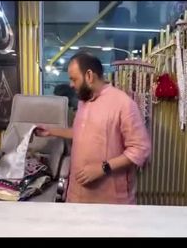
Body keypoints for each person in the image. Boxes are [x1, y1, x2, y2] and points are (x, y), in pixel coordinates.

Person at [36, 52, 151, 204]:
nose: (71, 85)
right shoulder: (83, 101)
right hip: (76, 197)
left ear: (89, 76)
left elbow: (140, 149)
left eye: (74, 79)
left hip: (111, 202)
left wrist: (103, 168)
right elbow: (80, 133)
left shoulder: (123, 103)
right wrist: (51, 131)